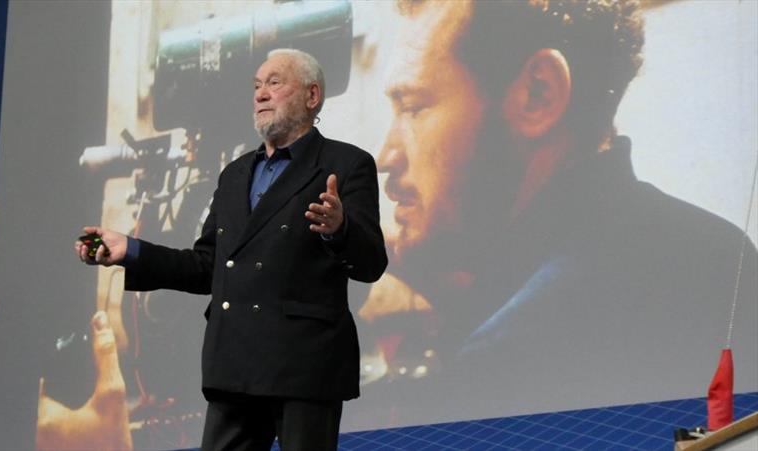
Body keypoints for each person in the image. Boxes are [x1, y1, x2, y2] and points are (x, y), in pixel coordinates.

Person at [356, 0, 758, 427]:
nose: (384, 156)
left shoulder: (503, 371)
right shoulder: (723, 253)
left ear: (538, 95)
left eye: (413, 107)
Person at [76, 48, 387, 450]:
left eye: (275, 83)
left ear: (312, 96)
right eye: (257, 85)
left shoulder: (346, 163)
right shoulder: (236, 173)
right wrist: (131, 251)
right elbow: (207, 267)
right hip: (234, 364)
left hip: (305, 366)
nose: (260, 94)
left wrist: (339, 228)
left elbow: (371, 263)